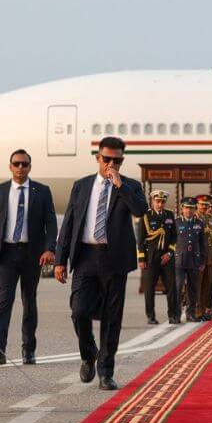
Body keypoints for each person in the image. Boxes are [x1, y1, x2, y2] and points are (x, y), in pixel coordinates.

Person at [53, 136, 147, 391]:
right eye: (107, 159)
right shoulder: (82, 186)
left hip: (114, 259)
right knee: (79, 311)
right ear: (98, 158)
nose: (111, 164)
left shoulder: (130, 185)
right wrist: (60, 260)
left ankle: (106, 372)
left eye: (116, 160)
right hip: (85, 256)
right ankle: (88, 352)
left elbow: (140, 210)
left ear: (122, 160)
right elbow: (69, 223)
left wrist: (120, 186)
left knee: (111, 318)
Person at [0, 149, 57, 365]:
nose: (20, 168)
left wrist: (50, 248)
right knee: (5, 299)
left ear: (30, 167)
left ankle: (28, 349)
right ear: (10, 166)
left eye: (24, 164)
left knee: (29, 301)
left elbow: (50, 223)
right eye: (16, 164)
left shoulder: (42, 191)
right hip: (6, 254)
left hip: (33, 254)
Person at [136, 190, 177, 325]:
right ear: (153, 201)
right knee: (149, 288)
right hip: (151, 257)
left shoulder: (170, 215)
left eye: (162, 202)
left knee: (171, 287)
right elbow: (141, 239)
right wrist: (141, 259)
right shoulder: (146, 216)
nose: (160, 204)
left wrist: (170, 253)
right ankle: (151, 316)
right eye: (157, 201)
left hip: (167, 257)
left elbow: (174, 237)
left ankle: (173, 315)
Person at [173, 197, 206, 323]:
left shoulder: (199, 223)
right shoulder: (176, 223)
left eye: (191, 208)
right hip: (179, 260)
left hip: (194, 261)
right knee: (178, 287)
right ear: (182, 208)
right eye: (186, 208)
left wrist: (202, 260)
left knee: (193, 288)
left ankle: (190, 313)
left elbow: (202, 244)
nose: (189, 210)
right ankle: (176, 313)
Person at [195, 194, 212, 321]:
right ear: (197, 205)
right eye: (202, 204)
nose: (204, 207)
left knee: (207, 285)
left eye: (206, 205)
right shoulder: (194, 218)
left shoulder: (209, 218)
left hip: (210, 257)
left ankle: (203, 309)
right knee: (198, 285)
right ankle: (196, 311)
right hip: (200, 258)